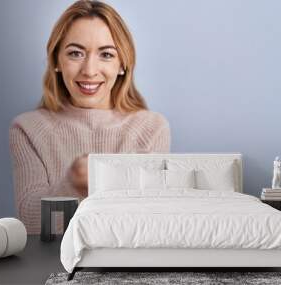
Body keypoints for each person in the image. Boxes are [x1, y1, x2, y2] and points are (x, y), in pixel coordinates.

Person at [9, 0, 171, 234]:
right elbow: (31, 224)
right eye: (75, 53)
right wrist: (73, 184)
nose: (89, 70)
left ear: (122, 64)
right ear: (56, 61)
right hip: (52, 265)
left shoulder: (151, 128)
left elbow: (148, 223)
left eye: (106, 54)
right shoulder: (27, 129)